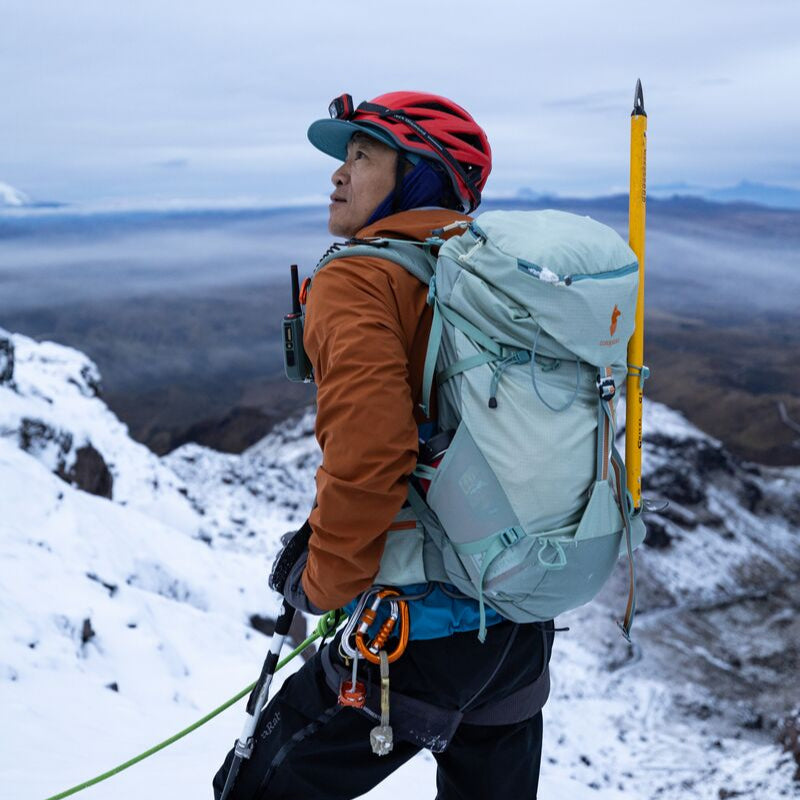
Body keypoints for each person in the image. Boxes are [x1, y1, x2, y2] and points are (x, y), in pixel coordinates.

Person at [214, 92, 554, 800]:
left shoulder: (359, 276)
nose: (339, 173)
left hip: (411, 632)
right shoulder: (498, 277)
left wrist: (321, 582)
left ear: (420, 175)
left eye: (363, 155)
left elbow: (371, 450)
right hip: (519, 625)